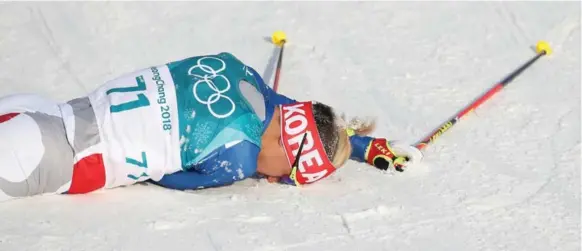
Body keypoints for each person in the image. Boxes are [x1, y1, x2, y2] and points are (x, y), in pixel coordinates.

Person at [0, 52, 422, 202]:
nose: (277, 181)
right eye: (290, 176)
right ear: (288, 152)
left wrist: (361, 144)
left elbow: (287, 109)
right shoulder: (237, 158)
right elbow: (174, 179)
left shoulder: (235, 68)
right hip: (53, 158)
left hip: (48, 111)